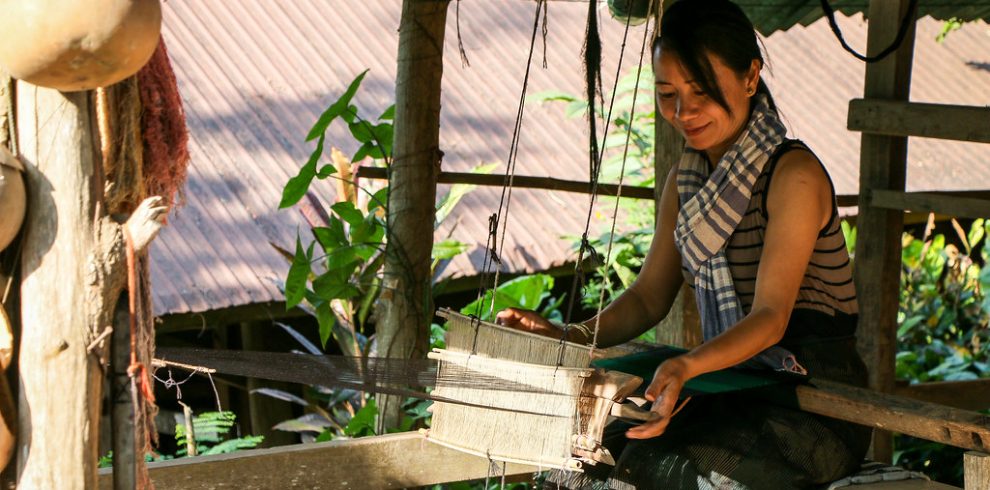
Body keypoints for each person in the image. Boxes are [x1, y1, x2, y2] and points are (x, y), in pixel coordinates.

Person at [496, 0, 871, 488]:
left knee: (673, 471)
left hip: (813, 404)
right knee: (579, 464)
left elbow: (770, 318)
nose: (683, 112)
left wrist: (688, 365)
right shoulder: (686, 180)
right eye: (667, 93)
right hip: (733, 390)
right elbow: (650, 297)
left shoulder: (792, 176)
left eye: (702, 91)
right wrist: (569, 336)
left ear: (751, 77)